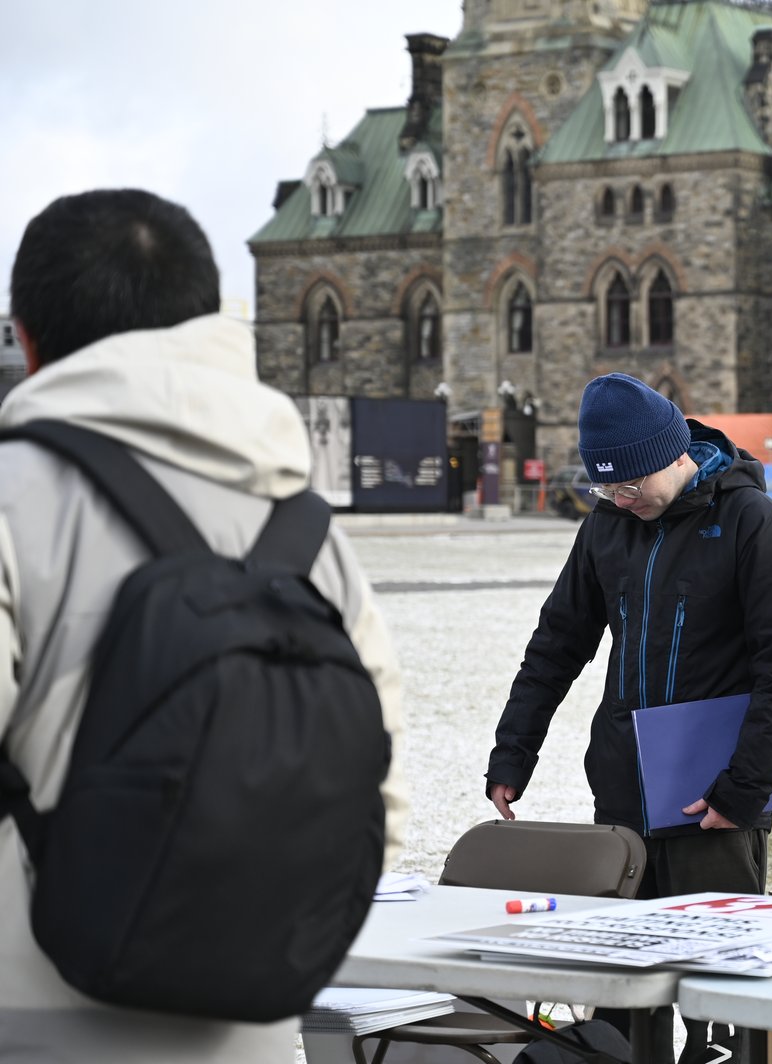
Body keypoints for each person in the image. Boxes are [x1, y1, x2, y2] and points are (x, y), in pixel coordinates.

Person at [0, 189, 409, 1061]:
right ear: (208, 326)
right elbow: (377, 793)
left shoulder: (11, 497)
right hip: (255, 1038)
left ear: (27, 340)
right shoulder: (307, 530)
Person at [485, 372, 772, 1057]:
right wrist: (514, 751)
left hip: (713, 801)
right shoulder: (608, 526)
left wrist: (743, 790)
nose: (625, 501)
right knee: (624, 998)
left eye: (633, 484)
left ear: (676, 452)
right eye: (609, 488)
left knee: (722, 1003)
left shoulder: (753, 522)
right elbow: (556, 644)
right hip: (624, 796)